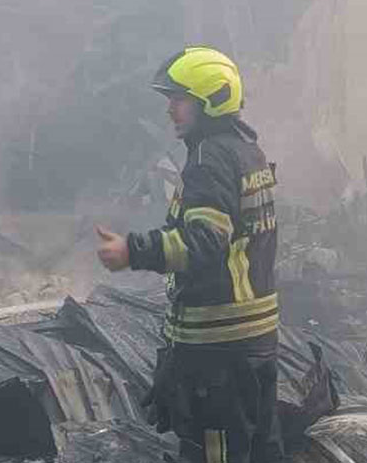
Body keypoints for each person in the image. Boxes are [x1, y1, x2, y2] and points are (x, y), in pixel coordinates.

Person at [96, 47, 281, 463]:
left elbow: (205, 242)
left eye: (179, 100)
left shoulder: (209, 158)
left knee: (215, 454)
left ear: (210, 99)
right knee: (259, 451)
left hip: (218, 352)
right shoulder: (247, 152)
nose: (171, 111)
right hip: (256, 344)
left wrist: (133, 250)